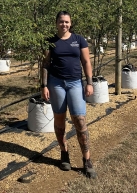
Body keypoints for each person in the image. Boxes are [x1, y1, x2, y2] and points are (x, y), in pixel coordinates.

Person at [41, 10, 97, 179]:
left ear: (70, 23)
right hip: (56, 83)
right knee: (59, 119)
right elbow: (45, 64)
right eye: (61, 21)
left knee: (80, 120)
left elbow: (86, 61)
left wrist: (89, 82)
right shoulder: (50, 41)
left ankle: (86, 160)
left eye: (66, 22)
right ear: (56, 23)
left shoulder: (78, 40)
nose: (64, 24)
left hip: (75, 83)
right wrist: (44, 85)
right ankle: (64, 153)